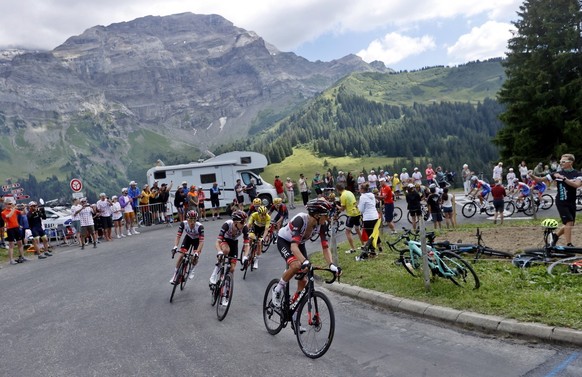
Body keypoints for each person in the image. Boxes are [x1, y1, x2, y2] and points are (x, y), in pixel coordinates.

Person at [271, 199, 341, 308]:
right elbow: (293, 247)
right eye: (326, 215)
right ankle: (277, 290)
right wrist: (305, 261)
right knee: (296, 266)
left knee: (304, 278)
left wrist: (331, 265)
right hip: (285, 241)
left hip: (299, 243)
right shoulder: (300, 220)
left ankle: (293, 306)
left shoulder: (322, 225)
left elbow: (325, 247)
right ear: (317, 215)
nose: (328, 217)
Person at [530, 154, 582, 246]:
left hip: (571, 201)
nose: (561, 163)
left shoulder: (577, 174)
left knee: (570, 224)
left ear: (570, 163)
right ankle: (569, 244)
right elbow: (540, 179)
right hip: (561, 201)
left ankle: (555, 236)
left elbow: (577, 185)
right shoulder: (556, 173)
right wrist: (532, 176)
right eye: (560, 161)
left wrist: (564, 179)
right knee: (569, 222)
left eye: (563, 161)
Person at [209, 210, 250, 285]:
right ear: (235, 222)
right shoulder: (227, 224)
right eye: (242, 222)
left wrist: (245, 257)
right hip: (225, 240)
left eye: (244, 222)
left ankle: (227, 287)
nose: (244, 224)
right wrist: (219, 251)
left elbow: (247, 244)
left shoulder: (244, 228)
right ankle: (215, 273)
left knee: (232, 268)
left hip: (234, 243)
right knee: (226, 250)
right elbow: (218, 241)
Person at [170, 210, 204, 284]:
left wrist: (197, 253)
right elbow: (178, 236)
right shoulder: (183, 224)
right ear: (187, 219)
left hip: (197, 241)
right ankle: (175, 275)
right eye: (190, 219)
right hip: (188, 238)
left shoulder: (200, 227)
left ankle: (192, 269)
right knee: (181, 254)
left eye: (194, 220)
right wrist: (175, 246)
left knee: (195, 257)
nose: (192, 222)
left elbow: (201, 242)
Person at [336, 183, 362, 254]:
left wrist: (337, 206)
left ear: (337, 190)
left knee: (347, 232)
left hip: (351, 214)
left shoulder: (342, 196)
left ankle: (353, 248)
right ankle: (363, 244)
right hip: (357, 212)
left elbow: (342, 209)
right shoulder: (349, 192)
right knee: (358, 230)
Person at [243, 205, 271, 269]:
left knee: (259, 243)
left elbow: (266, 230)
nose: (263, 216)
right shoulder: (254, 215)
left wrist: (263, 238)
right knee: (250, 237)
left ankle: (256, 261)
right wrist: (246, 233)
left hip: (262, 230)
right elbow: (249, 225)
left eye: (265, 214)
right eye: (262, 214)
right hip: (255, 227)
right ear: (258, 213)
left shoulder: (268, 217)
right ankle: (248, 251)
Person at [1, 198, 28, 264]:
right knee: (11, 245)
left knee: (20, 243)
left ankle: (22, 256)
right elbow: (8, 216)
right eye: (9, 204)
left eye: (11, 204)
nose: (10, 205)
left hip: (16, 228)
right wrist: (14, 208)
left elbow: (23, 213)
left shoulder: (14, 210)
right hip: (10, 229)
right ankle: (11, 260)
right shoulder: (3, 212)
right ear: (5, 205)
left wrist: (24, 207)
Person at [358, 182, 381, 253]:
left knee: (369, 235)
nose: (359, 190)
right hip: (375, 215)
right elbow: (373, 204)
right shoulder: (372, 195)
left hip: (368, 217)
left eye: (359, 189)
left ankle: (372, 251)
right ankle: (379, 246)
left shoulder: (362, 197)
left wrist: (358, 207)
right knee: (375, 232)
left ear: (362, 189)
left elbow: (361, 210)